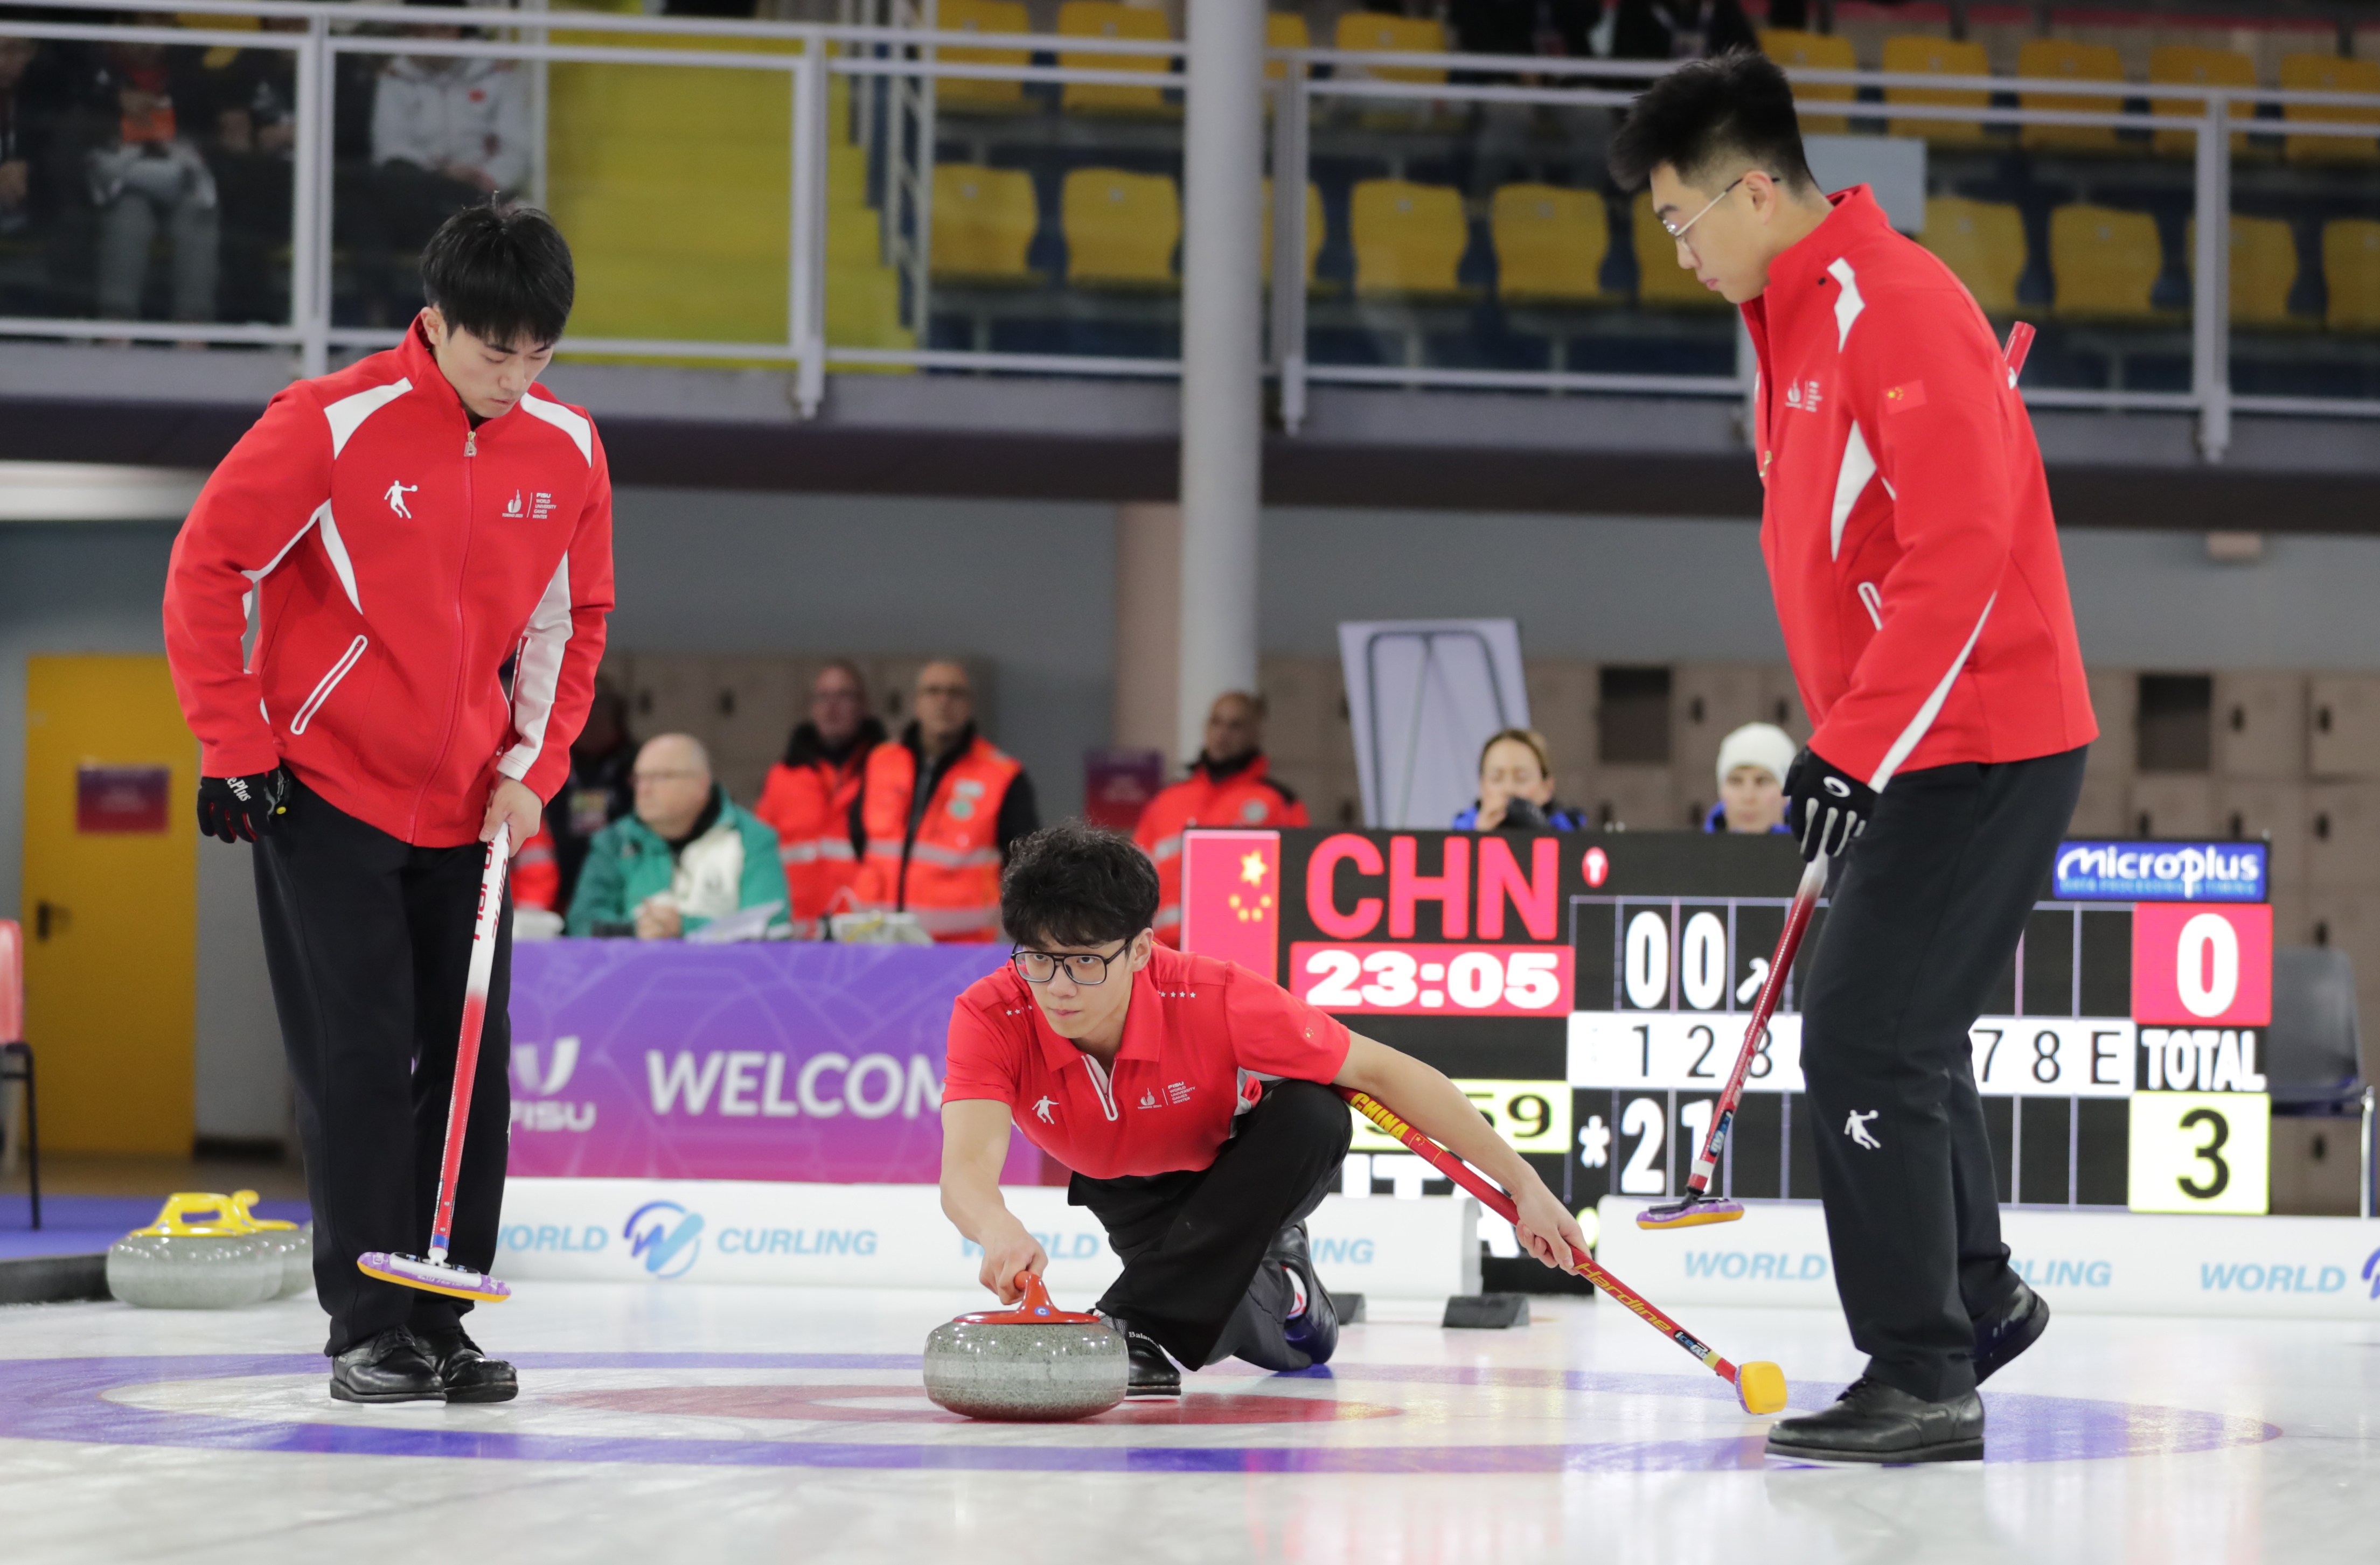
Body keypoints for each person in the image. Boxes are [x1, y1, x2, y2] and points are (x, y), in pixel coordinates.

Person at [1613, 52, 2095, 1464]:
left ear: (1756, 188)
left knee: (1863, 1039)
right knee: (1903, 1031)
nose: (1679, 250)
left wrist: (1851, 748)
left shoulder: (1893, 306)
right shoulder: (1791, 316)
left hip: (1976, 738)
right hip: (1908, 741)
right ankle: (1975, 1296)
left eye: (1683, 220)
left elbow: (1961, 552)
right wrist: (1854, 742)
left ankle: (1921, 1370)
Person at [163, 205, 612, 1406]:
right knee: (358, 1058)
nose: (515, 380)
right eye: (491, 353)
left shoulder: (567, 445)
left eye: (538, 356)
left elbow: (575, 623)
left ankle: (443, 1315)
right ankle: (368, 1323)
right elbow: (208, 570)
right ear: (435, 321)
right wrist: (236, 744)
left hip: (474, 808)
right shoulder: (327, 423)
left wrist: (534, 767)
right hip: (329, 795)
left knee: (470, 1068)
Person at [938, 822, 1589, 1396]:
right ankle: (1292, 1290)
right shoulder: (991, 1012)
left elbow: (1383, 1070)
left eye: (1083, 960)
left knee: (1315, 1109)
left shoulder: (1211, 995)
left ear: (1138, 950)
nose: (1058, 986)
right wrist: (997, 1229)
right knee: (1246, 1327)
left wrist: (1524, 1184)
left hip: (1236, 1177)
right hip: (1127, 1196)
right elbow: (966, 1169)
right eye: (1038, 959)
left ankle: (1132, 1322)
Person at [357, 1, 530, 325]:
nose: (431, 40)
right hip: (418, 192)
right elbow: (391, 147)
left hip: (481, 194)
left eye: (440, 29)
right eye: (420, 31)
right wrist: (439, 174)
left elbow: (516, 148)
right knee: (370, 204)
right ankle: (378, 325)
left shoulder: (497, 74)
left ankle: (458, 329)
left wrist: (484, 176)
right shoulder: (396, 75)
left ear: (459, 29)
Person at [852, 660, 1039, 942]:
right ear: (917, 702)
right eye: (933, 691)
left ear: (969, 705)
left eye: (955, 693)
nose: (943, 701)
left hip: (963, 949)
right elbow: (858, 837)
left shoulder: (1001, 775)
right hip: (879, 940)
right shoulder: (881, 762)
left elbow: (1025, 864)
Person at [567, 734, 790, 939]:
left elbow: (772, 927)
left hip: (722, 978)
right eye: (639, 778)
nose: (644, 790)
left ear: (701, 785)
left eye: (660, 777)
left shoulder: (753, 839)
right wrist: (635, 930)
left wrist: (685, 927)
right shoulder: (614, 842)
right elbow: (581, 923)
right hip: (635, 977)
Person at [1133, 691, 1308, 947]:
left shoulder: (1279, 802)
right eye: (1216, 722)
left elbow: (1298, 884)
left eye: (1235, 725)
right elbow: (1132, 876)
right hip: (1165, 950)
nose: (1222, 733)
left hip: (1243, 949)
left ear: (1255, 732)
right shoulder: (1167, 800)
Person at [79, 33, 219, 324]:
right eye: (146, 22)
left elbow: (210, 130)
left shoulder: (190, 70)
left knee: (198, 212)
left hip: (180, 175)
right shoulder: (90, 68)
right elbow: (73, 129)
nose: (150, 40)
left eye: (162, 22)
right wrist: (115, 108)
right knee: (129, 218)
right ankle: (117, 323)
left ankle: (192, 325)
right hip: (121, 177)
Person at [755, 660, 886, 938]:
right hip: (795, 932)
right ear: (811, 707)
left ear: (864, 706)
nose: (832, 707)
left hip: (863, 929)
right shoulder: (783, 776)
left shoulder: (887, 774)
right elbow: (761, 852)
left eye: (843, 696)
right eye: (823, 696)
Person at [1451, 728, 1586, 832]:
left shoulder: (1575, 835)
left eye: (1521, 778)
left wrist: (1545, 836)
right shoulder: (1453, 839)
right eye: (1496, 778)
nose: (1509, 789)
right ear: (1482, 785)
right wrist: (1476, 840)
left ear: (1547, 787)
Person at [1701, 720, 1794, 834]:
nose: (1748, 797)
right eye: (1736, 781)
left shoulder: (1816, 851)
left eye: (1763, 781)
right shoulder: (1688, 851)